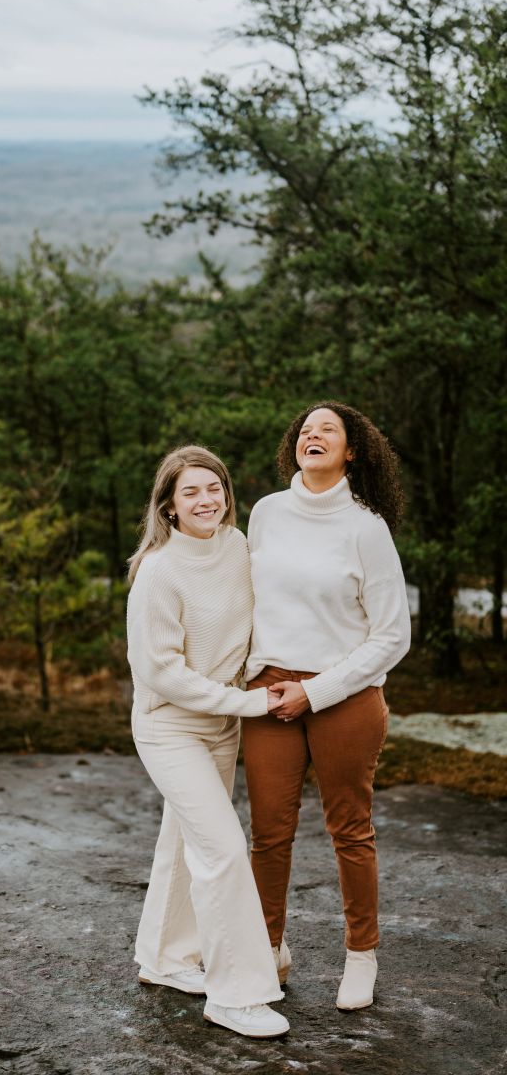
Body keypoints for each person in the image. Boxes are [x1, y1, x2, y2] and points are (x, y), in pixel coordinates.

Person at [241, 401, 411, 1012]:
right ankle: (268, 950)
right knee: (268, 833)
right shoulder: (265, 514)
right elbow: (247, 603)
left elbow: (393, 635)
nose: (313, 435)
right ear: (295, 445)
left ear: (352, 451)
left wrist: (317, 690)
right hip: (269, 691)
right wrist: (256, 681)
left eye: (328, 430)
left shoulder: (367, 528)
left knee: (350, 830)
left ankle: (360, 955)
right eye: (305, 429)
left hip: (344, 694)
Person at [126, 445, 289, 1039]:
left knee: (182, 840)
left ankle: (165, 959)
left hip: (220, 725)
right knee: (222, 848)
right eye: (190, 492)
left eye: (213, 488)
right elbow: (161, 673)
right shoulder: (158, 571)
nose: (205, 500)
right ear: (168, 506)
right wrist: (248, 703)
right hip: (169, 726)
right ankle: (236, 994)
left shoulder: (239, 547)